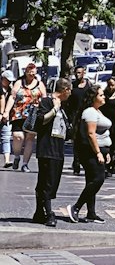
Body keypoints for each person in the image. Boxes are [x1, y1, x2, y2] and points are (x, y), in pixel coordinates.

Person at [64, 84, 111, 223]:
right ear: (93, 97)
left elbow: (101, 133)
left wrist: (106, 151)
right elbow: (91, 134)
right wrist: (98, 152)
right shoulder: (90, 112)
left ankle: (91, 212)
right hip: (91, 152)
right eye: (101, 95)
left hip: (101, 150)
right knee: (98, 179)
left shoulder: (97, 111)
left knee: (91, 180)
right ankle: (76, 207)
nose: (104, 97)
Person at [33, 79, 71, 228]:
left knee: (50, 182)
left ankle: (39, 212)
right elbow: (42, 119)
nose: (70, 94)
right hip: (47, 148)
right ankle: (48, 213)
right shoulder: (47, 101)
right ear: (65, 90)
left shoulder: (62, 106)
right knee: (47, 182)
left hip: (57, 149)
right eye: (70, 90)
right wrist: (55, 109)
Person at [11, 62, 46, 172]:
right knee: (18, 136)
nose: (31, 74)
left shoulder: (40, 84)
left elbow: (44, 98)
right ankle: (17, 156)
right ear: (25, 72)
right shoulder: (19, 82)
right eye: (29, 71)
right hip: (19, 113)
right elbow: (12, 97)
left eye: (33, 72)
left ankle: (25, 164)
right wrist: (6, 111)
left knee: (30, 138)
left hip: (33, 114)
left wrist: (44, 110)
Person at [63, 65, 90, 177]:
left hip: (87, 115)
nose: (78, 75)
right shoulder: (72, 86)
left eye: (79, 72)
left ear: (84, 73)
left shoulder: (89, 86)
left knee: (86, 139)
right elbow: (68, 102)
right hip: (75, 116)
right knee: (76, 140)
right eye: (76, 73)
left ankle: (85, 161)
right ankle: (76, 162)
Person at [0, 71, 15, 169]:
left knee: (6, 138)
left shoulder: (10, 89)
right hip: (2, 115)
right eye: (8, 80)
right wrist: (1, 113)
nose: (9, 82)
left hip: (6, 117)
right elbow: (1, 99)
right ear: (3, 79)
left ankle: (7, 160)